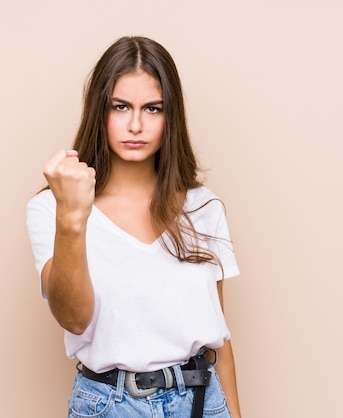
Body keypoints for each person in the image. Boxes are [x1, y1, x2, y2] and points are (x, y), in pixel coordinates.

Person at [26, 35, 242, 418]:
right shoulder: (51, 209)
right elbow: (74, 317)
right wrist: (73, 218)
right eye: (121, 106)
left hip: (201, 402)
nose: (136, 124)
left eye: (153, 108)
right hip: (111, 405)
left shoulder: (203, 206)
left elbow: (220, 340)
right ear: (100, 111)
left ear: (170, 115)